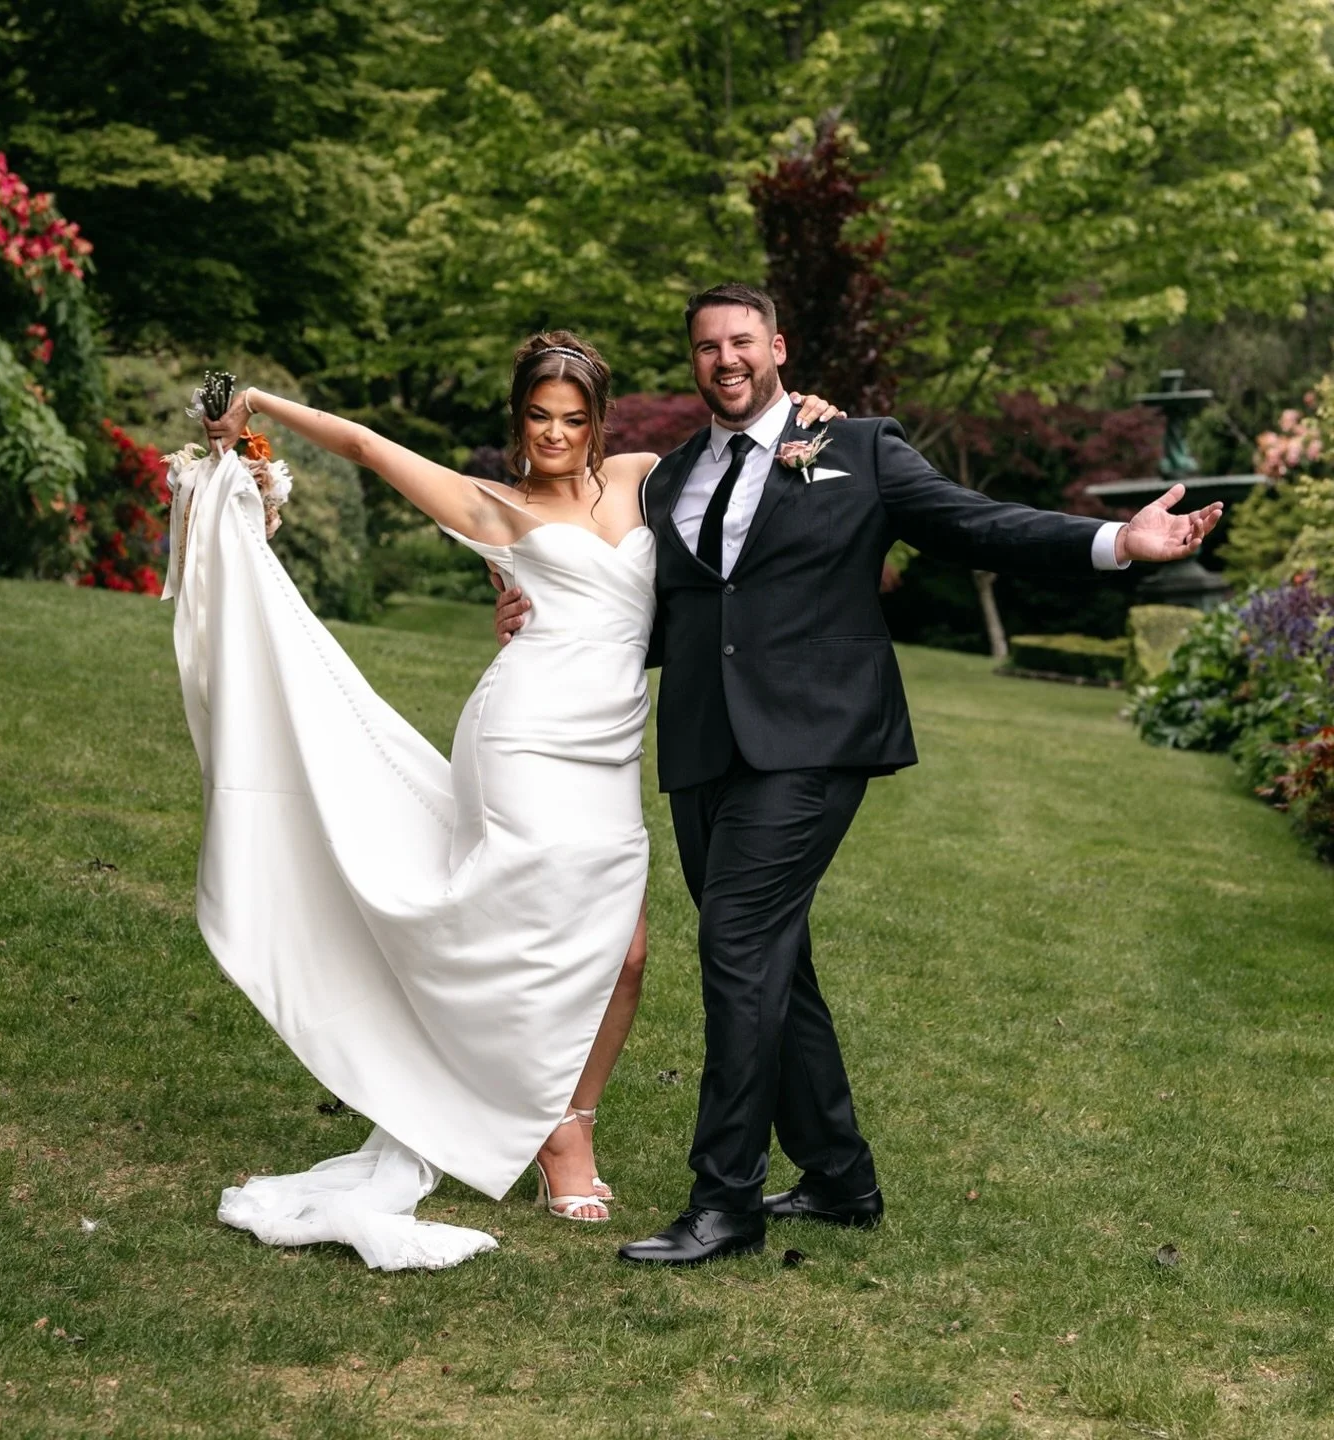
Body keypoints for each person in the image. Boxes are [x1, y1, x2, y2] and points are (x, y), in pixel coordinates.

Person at [494, 283, 1223, 1266]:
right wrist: (548, 616)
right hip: (707, 746)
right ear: (694, 362)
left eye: (742, 341)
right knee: (773, 967)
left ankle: (725, 1202)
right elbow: (669, 619)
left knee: (738, 946)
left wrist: (1114, 542)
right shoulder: (671, 483)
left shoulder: (858, 448)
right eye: (707, 347)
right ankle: (840, 1177)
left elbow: (975, 524)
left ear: (778, 347)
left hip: (818, 740)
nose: (725, 360)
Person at [172, 330, 842, 1268]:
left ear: (599, 423)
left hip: (611, 745)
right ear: (519, 421)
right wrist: (261, 408)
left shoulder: (647, 475)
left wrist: (809, 413)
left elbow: (751, 444)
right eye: (539, 416)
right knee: (514, 926)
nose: (557, 434)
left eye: (574, 419)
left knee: (629, 954)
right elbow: (368, 445)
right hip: (521, 737)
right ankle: (553, 1137)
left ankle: (568, 1115)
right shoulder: (492, 505)